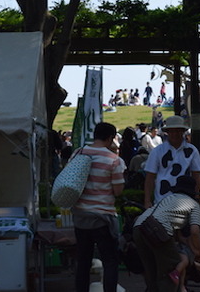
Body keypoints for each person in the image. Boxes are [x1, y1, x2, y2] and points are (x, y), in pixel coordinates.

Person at [72, 122, 126, 292]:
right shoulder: (113, 160)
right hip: (102, 219)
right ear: (110, 138)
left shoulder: (78, 153)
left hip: (80, 217)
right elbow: (118, 191)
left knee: (83, 262)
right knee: (110, 262)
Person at [133, 175, 200, 292]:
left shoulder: (167, 199)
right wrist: (198, 251)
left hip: (139, 227)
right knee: (171, 270)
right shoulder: (193, 204)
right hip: (158, 230)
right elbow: (195, 231)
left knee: (151, 271)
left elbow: (177, 234)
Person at [144, 116, 200, 207]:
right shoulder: (157, 151)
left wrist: (197, 196)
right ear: (167, 132)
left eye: (178, 131)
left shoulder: (192, 150)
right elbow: (150, 177)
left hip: (186, 200)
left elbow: (197, 175)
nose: (175, 134)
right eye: (172, 131)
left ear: (183, 132)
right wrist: (147, 200)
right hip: (162, 200)